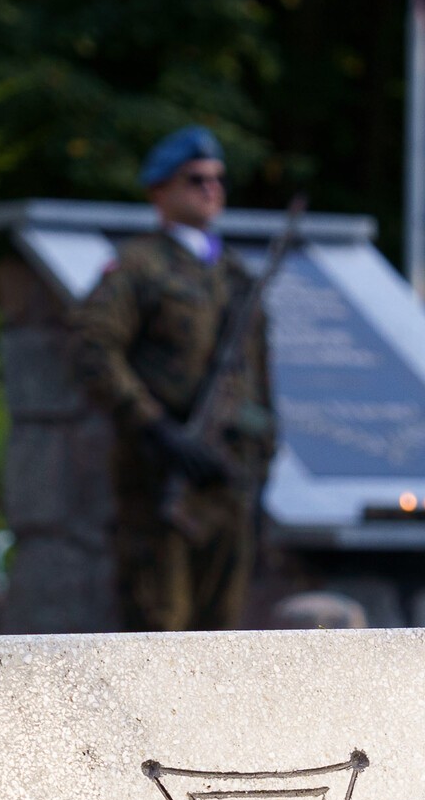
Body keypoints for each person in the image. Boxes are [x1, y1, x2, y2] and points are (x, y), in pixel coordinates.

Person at [70, 126, 276, 632]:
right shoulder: (138, 267)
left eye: (217, 179)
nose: (211, 190)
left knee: (223, 637)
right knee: (161, 632)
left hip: (226, 480)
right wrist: (157, 428)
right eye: (195, 180)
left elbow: (258, 378)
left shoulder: (234, 274)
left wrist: (263, 457)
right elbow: (94, 350)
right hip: (159, 479)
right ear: (159, 190)